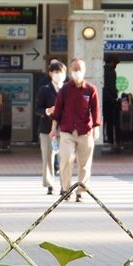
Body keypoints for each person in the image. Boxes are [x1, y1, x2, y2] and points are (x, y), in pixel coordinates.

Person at [50, 57, 101, 201]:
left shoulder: (90, 89)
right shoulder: (65, 89)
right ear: (70, 71)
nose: (77, 72)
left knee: (84, 164)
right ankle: (66, 189)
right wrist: (53, 129)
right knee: (66, 159)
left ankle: (81, 192)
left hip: (85, 131)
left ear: (84, 71)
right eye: (74, 69)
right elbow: (57, 111)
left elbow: (96, 110)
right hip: (67, 131)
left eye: (80, 69)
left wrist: (96, 127)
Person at [34, 59, 65, 196]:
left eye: (61, 72)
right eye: (56, 72)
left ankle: (65, 184)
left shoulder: (68, 89)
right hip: (47, 129)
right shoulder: (44, 89)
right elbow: (37, 109)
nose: (58, 75)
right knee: (48, 157)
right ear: (50, 73)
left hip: (65, 129)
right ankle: (50, 184)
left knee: (65, 157)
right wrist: (47, 111)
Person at [102, 54, 121, 150]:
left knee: (102, 120)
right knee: (110, 121)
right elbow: (111, 86)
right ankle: (110, 140)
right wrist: (115, 95)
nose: (116, 65)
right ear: (112, 62)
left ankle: (101, 139)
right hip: (109, 100)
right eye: (116, 63)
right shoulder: (111, 71)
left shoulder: (102, 69)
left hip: (102, 99)